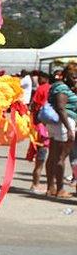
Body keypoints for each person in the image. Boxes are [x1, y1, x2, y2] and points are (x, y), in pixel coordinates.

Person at [46, 70, 77, 198]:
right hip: (63, 124)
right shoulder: (62, 88)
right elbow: (61, 107)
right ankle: (60, 189)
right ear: (65, 77)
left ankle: (51, 188)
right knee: (60, 158)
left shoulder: (58, 86)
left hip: (56, 124)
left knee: (53, 156)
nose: (75, 79)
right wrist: (69, 128)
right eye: (73, 76)